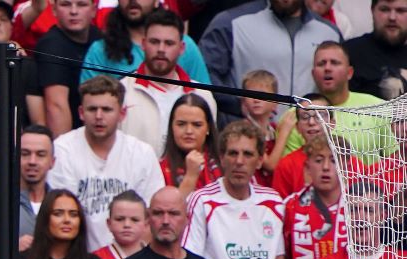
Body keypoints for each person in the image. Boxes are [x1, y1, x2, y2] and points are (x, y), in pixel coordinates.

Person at [48, 76, 164, 252]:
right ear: (80, 112)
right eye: (92, 109)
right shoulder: (62, 149)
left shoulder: (141, 153)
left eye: (107, 109)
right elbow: (56, 213)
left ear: (122, 114)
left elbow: (152, 218)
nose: (99, 116)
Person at [199, 0, 339, 122]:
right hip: (250, 138)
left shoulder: (329, 32)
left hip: (310, 138)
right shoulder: (231, 23)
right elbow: (204, 74)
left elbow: (341, 87)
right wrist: (237, 104)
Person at [118, 9, 216, 157]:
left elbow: (210, 152)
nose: (161, 50)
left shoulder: (203, 95)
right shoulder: (121, 91)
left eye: (169, 43)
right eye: (154, 42)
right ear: (143, 44)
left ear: (182, 48)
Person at [285, 42, 396, 165]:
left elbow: (394, 162)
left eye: (335, 63)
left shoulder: (378, 108)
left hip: (367, 183)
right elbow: (292, 167)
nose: (327, 68)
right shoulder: (297, 116)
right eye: (321, 64)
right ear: (313, 74)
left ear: (349, 72)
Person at [281, 135, 347, 259]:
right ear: (307, 168)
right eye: (319, 160)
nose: (326, 167)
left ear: (346, 166)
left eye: (333, 160)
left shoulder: (358, 208)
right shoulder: (290, 207)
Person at [79, 0, 209, 87]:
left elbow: (203, 98)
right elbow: (91, 105)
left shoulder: (186, 46)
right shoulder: (100, 50)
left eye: (168, 44)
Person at [0, 125, 53, 243]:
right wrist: (11, 250)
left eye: (40, 155)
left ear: (52, 161)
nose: (32, 161)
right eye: (25, 153)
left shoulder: (61, 204)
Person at [35, 0, 102, 135]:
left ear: (94, 10)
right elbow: (56, 106)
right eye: (66, 4)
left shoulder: (100, 39)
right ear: (53, 10)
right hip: (73, 139)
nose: (74, 11)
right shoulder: (51, 45)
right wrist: (64, 152)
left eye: (81, 4)